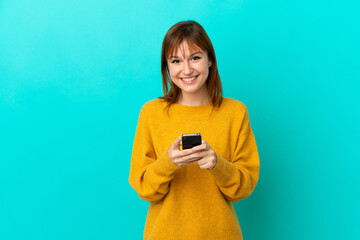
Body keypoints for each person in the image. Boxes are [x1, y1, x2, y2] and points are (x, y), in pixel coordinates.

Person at [129, 20, 260, 240]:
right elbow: (144, 188)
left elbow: (243, 188)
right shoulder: (151, 113)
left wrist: (217, 164)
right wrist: (168, 163)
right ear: (167, 67)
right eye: (176, 61)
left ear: (210, 60)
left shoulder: (235, 112)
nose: (187, 69)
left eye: (195, 58)